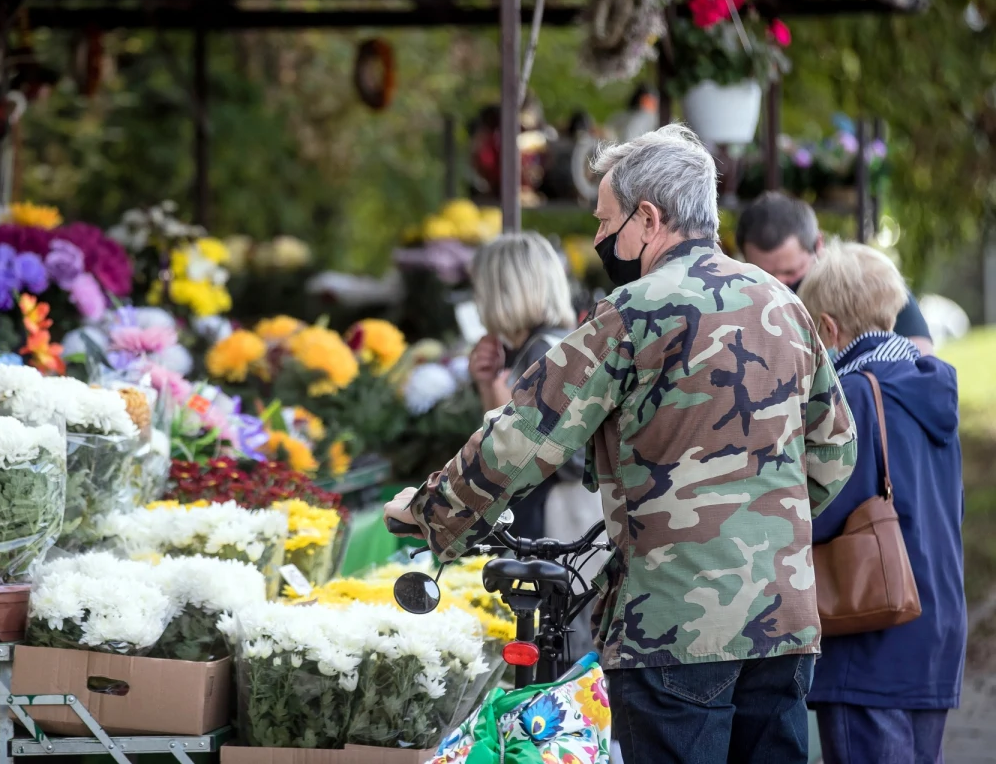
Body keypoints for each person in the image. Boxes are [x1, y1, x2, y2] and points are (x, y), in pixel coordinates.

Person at [385, 124, 858, 764]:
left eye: (606, 222)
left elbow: (526, 435)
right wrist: (761, 521)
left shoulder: (632, 312)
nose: (602, 238)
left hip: (672, 625)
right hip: (783, 620)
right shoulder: (783, 304)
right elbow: (835, 453)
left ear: (649, 217)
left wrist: (433, 512)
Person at [798, 240, 966, 764]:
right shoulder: (930, 388)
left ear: (827, 328)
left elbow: (820, 515)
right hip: (935, 625)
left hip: (870, 630)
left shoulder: (851, 398)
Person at [467, 231, 584, 542]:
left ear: (503, 290)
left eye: (480, 288)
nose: (476, 301)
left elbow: (521, 454)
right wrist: (489, 382)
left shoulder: (545, 354)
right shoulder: (546, 346)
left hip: (555, 519)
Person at [737, 192, 935, 355]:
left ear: (818, 244)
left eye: (791, 272)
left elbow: (921, 356)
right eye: (764, 275)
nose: (778, 284)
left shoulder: (861, 279)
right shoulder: (736, 299)